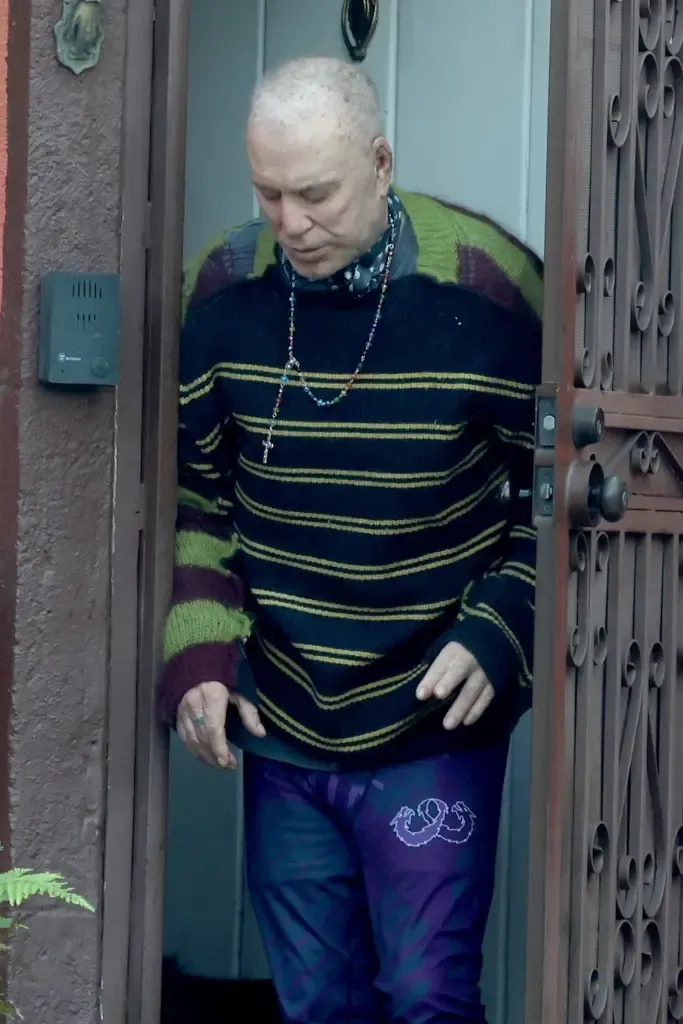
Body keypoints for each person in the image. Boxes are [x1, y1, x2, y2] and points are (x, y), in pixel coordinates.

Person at [158, 56, 541, 1024]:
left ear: (380, 162)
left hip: (433, 710)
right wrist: (199, 651)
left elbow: (563, 498)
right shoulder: (220, 288)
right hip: (285, 714)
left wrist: (503, 622)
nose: (289, 224)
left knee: (426, 994)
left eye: (316, 194)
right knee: (316, 1002)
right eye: (268, 193)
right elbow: (200, 497)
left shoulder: (490, 286)